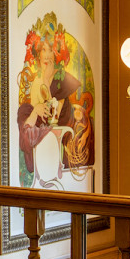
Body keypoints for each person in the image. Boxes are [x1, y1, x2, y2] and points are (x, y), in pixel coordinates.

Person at [17, 27, 80, 184]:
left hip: (57, 126)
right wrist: (35, 112)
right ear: (38, 54)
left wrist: (46, 81)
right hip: (41, 126)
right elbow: (34, 111)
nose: (46, 55)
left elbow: (54, 116)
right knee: (24, 111)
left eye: (50, 50)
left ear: (56, 54)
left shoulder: (62, 79)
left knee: (29, 116)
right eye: (43, 50)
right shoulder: (36, 81)